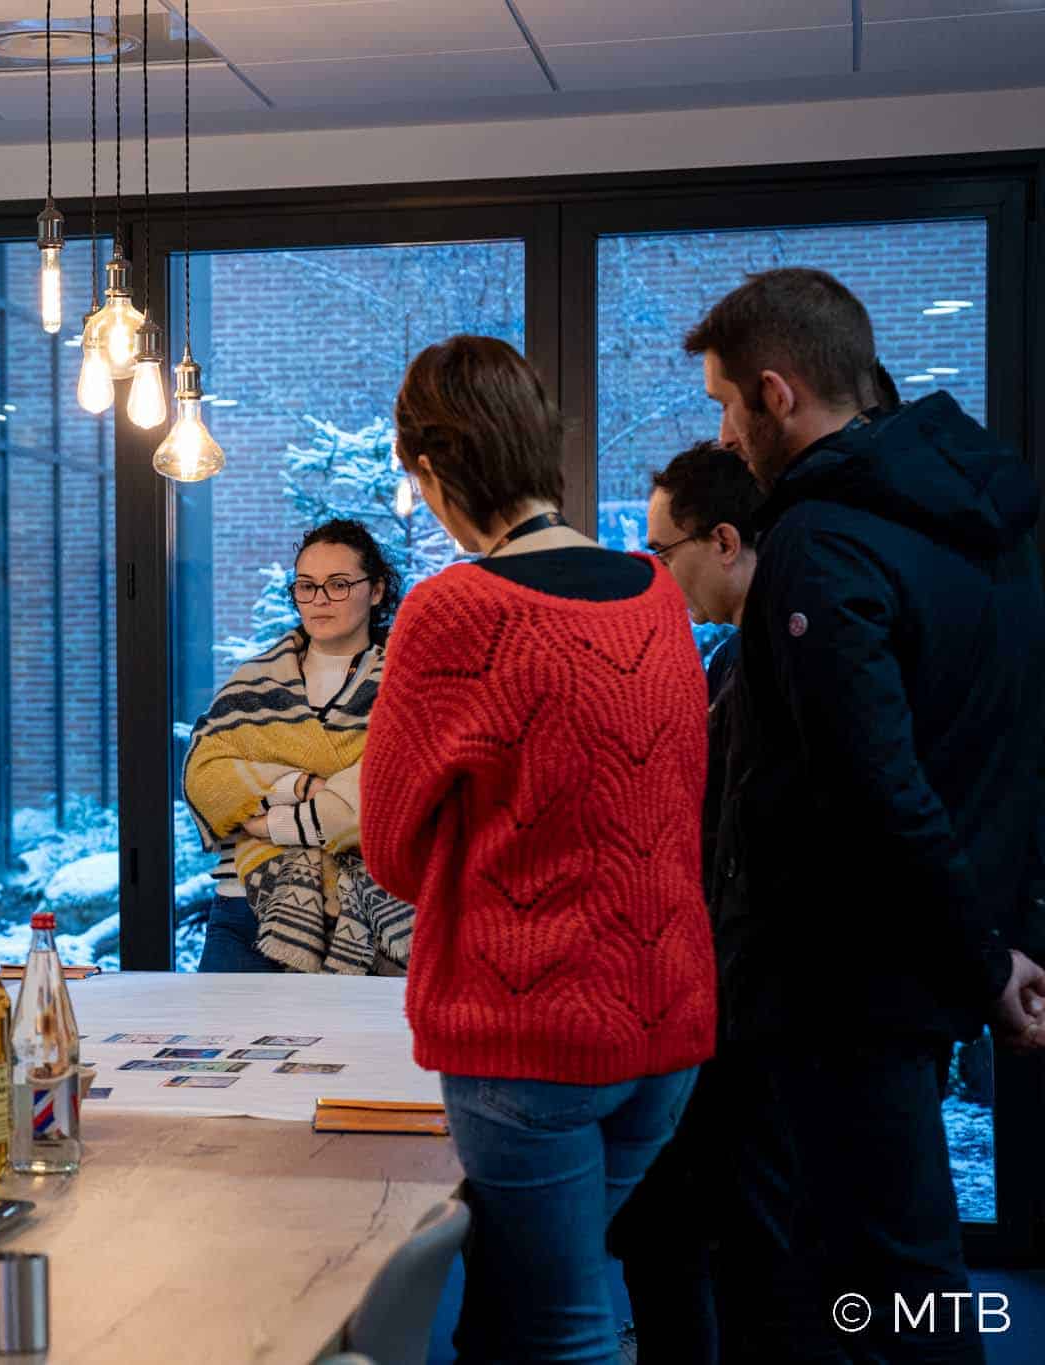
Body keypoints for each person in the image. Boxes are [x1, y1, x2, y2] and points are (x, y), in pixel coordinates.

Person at [684, 268, 1045, 1362]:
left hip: (838, 982)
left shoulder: (819, 538)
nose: (723, 432)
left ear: (775, 392)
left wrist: (983, 960)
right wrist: (994, 939)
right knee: (871, 1267)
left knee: (894, 1282)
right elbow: (999, 749)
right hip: (913, 965)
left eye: (721, 402)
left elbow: (871, 785)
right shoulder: (969, 518)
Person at [357, 336, 717, 1362]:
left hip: (529, 1037)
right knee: (519, 1304)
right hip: (664, 1027)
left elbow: (387, 849)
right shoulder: (652, 592)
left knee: (563, 1329)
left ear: (428, 469)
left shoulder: (455, 610)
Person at [606, 439, 763, 1364]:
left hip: (734, 1009)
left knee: (688, 1243)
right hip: (705, 993)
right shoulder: (730, 663)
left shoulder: (772, 667)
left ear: (727, 541)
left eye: (664, 551)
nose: (657, 574)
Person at [183, 519, 415, 975]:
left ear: (376, 590)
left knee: (351, 1048)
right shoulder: (252, 681)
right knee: (223, 1046)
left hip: (368, 913)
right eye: (306, 586)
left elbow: (391, 792)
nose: (319, 600)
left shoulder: (410, 682)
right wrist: (302, 783)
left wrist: (268, 822)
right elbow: (204, 775)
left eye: (338, 584)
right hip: (244, 910)